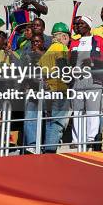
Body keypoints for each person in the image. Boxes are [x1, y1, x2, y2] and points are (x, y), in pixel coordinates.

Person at [69, 15, 103, 150]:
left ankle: (91, 137)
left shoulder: (98, 40)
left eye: (82, 23)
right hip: (77, 80)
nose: (79, 26)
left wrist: (92, 61)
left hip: (94, 79)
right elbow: (69, 60)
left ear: (88, 25)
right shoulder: (74, 42)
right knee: (78, 110)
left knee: (92, 109)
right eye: (77, 24)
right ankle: (77, 139)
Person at [37, 23, 71, 153]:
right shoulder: (61, 47)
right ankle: (50, 152)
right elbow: (63, 66)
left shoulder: (46, 52)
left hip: (48, 91)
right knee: (57, 124)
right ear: (63, 36)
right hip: (60, 89)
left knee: (49, 122)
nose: (68, 40)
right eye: (67, 37)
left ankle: (47, 150)